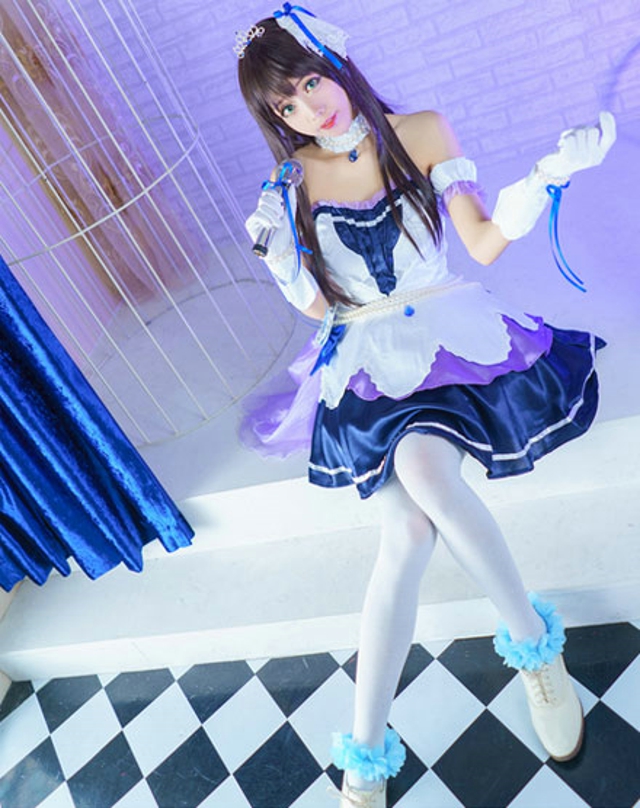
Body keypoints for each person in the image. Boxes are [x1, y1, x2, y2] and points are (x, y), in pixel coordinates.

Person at [236, 6, 616, 806]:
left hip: (449, 332)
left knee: (424, 481)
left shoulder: (422, 131)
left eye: (312, 81)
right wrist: (283, 266)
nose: (310, 108)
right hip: (368, 357)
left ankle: (532, 650)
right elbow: (324, 308)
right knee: (406, 535)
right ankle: (367, 755)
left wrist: (546, 177)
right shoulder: (290, 184)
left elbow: (481, 243)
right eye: (287, 105)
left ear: (336, 64)